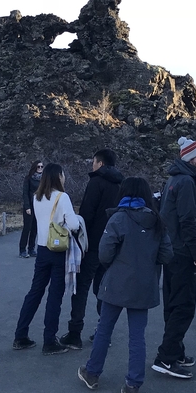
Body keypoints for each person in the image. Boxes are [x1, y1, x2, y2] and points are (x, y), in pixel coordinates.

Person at [77, 177, 173, 393]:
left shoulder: (118, 218)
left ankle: (92, 372)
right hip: (144, 286)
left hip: (116, 284)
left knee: (104, 329)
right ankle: (133, 385)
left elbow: (104, 254)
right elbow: (167, 254)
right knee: (137, 336)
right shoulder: (156, 220)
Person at [13, 163, 85, 354]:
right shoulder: (62, 197)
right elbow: (73, 225)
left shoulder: (37, 197)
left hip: (42, 248)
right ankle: (49, 340)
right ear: (58, 176)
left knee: (35, 291)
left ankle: (20, 335)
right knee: (55, 296)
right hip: (58, 250)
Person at [153, 136, 196, 380]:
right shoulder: (186, 182)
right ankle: (166, 357)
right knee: (184, 305)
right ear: (189, 158)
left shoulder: (174, 179)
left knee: (173, 302)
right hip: (183, 252)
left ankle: (175, 351)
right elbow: (188, 220)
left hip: (171, 250)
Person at [59, 148, 123, 349]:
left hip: (92, 245)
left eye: (94, 162)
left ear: (100, 163)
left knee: (82, 288)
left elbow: (87, 212)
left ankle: (74, 333)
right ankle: (103, 333)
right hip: (111, 245)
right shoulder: (121, 184)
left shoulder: (96, 182)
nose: (92, 166)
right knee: (103, 289)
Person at [18, 160, 43, 258]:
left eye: (41, 166)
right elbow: (25, 193)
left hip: (39, 206)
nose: (40, 168)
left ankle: (31, 249)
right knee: (27, 228)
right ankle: (22, 249)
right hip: (30, 205)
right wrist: (27, 207)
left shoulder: (44, 179)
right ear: (34, 167)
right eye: (38, 166)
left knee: (35, 228)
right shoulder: (29, 178)